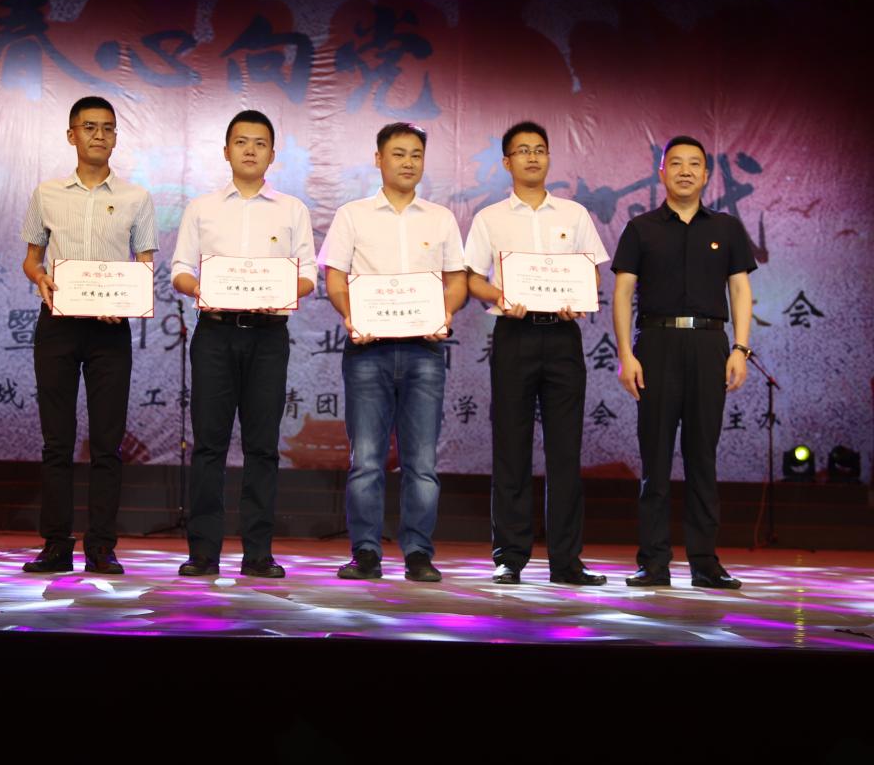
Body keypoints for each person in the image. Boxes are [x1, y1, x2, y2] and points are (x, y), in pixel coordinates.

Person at [171, 110, 316, 578]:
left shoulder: (292, 209)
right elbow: (179, 270)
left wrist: (280, 290)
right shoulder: (202, 208)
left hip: (268, 335)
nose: (250, 150)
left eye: (260, 143)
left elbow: (309, 274)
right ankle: (203, 553)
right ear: (226, 150)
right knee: (208, 446)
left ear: (272, 154)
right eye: (241, 141)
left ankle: (258, 554)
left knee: (263, 447)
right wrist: (203, 288)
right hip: (214, 333)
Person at [319, 122, 467, 582]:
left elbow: (457, 280)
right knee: (366, 459)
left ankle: (418, 553)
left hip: (425, 351)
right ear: (378, 159)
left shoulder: (440, 218)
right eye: (398, 153)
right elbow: (335, 277)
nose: (408, 162)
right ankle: (365, 552)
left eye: (416, 155)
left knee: (421, 462)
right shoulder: (353, 215)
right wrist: (352, 315)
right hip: (369, 350)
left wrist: (444, 314)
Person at [465, 121, 609, 586]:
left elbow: (593, 273)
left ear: (549, 158)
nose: (532, 157)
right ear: (506, 162)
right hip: (514, 335)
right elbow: (472, 278)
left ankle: (567, 561)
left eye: (540, 149)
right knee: (511, 448)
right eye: (523, 150)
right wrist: (501, 296)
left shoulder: (574, 214)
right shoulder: (490, 218)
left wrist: (580, 295)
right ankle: (510, 556)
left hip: (563, 337)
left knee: (566, 451)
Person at [21, 96, 158, 575]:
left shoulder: (137, 198)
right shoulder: (47, 193)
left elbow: (145, 266)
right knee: (56, 441)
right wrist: (40, 278)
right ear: (71, 134)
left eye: (108, 128)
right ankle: (56, 545)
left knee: (107, 443)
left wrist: (126, 302)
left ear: (116, 137)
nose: (99, 135)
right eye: (90, 127)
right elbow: (31, 260)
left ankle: (101, 546)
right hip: (57, 324)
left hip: (110, 331)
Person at [612, 135, 755, 589]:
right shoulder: (641, 228)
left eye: (695, 164)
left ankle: (705, 563)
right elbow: (622, 294)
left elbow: (740, 290)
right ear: (662, 172)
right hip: (655, 345)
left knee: (702, 458)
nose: (686, 171)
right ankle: (653, 562)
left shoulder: (727, 228)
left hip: (710, 345)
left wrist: (740, 348)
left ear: (707, 175)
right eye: (676, 163)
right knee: (654, 458)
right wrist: (626, 355)